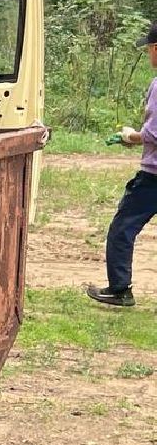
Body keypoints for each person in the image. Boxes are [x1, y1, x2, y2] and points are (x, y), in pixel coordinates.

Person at [87, 23, 157, 307]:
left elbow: (154, 133)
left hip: (153, 177)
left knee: (122, 228)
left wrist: (131, 136)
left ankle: (119, 289)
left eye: (150, 49)